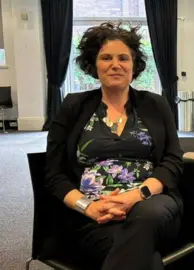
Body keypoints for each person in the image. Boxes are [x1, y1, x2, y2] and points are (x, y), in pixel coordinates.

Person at [45, 22, 184, 270]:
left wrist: (134, 196)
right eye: (106, 57)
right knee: (145, 259)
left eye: (123, 58)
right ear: (94, 64)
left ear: (134, 66)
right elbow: (54, 174)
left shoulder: (156, 104)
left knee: (146, 217)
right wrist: (89, 207)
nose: (115, 64)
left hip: (151, 203)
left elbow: (172, 160)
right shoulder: (73, 106)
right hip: (94, 214)